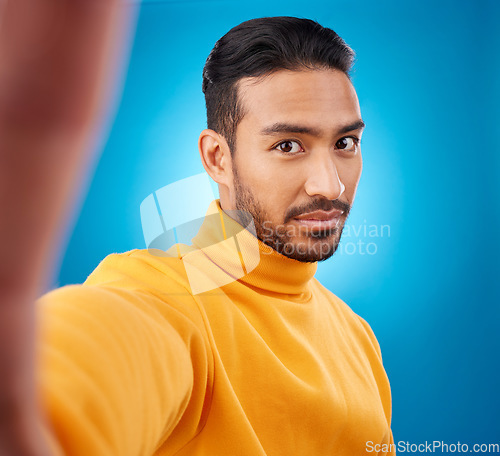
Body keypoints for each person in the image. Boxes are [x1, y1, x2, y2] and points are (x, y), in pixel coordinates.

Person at [0, 3, 394, 455]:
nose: (330, 184)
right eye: (288, 145)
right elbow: (88, 353)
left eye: (345, 143)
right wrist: (23, 407)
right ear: (217, 159)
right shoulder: (165, 299)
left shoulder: (360, 340)